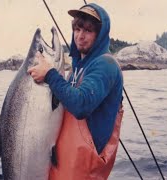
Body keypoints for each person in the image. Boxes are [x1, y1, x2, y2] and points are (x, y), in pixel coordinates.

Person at [28, 3, 124, 179]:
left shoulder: (105, 65)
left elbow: (81, 105)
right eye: (77, 29)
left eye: (88, 30)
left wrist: (49, 74)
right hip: (64, 163)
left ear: (100, 34)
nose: (80, 36)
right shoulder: (77, 67)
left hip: (82, 168)